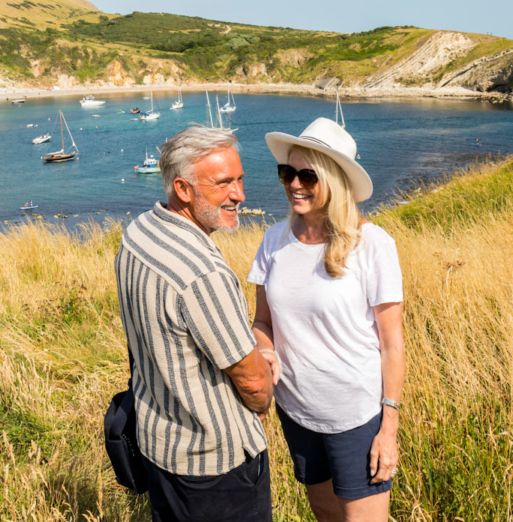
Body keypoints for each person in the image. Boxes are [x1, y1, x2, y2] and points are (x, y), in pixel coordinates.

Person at [114, 125, 274, 522]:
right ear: (183, 189)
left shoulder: (138, 233)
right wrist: (265, 389)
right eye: (223, 183)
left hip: (159, 446)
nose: (239, 194)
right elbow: (252, 383)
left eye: (240, 179)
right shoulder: (202, 275)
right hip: (215, 465)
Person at [249, 117, 405, 522]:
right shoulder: (273, 241)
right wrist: (264, 350)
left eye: (307, 175)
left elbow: (392, 344)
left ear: (334, 181)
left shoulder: (372, 244)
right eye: (287, 172)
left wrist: (388, 427)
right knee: (324, 513)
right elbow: (261, 322)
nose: (294, 184)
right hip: (297, 412)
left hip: (355, 416)